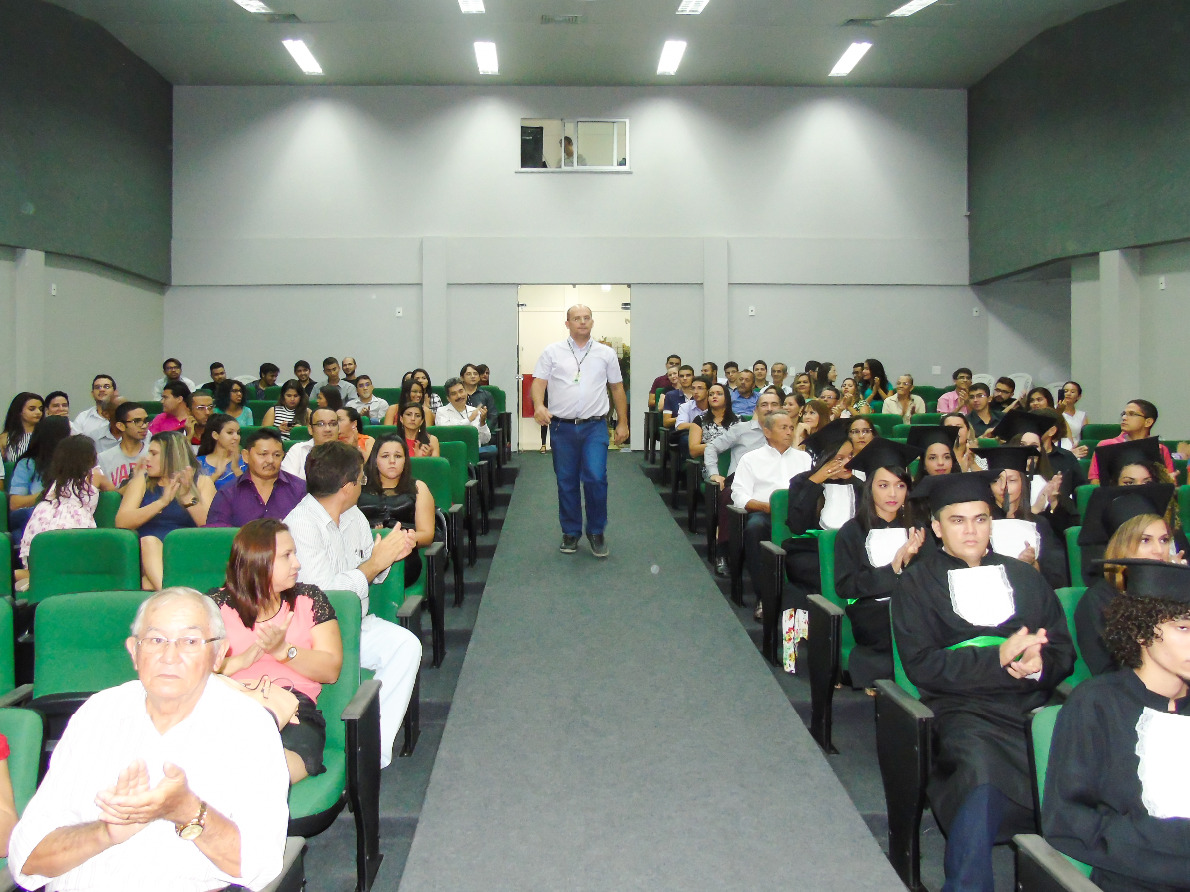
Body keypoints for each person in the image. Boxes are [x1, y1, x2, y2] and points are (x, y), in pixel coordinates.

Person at [7, 588, 289, 891]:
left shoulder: (247, 726)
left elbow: (260, 866)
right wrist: (105, 833)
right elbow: (26, 858)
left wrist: (189, 811)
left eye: (189, 641)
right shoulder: (97, 714)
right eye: (156, 640)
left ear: (219, 654)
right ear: (134, 651)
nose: (169, 657)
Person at [892, 471, 1074, 892]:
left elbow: (1063, 650)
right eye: (957, 521)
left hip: (1031, 702)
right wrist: (998, 657)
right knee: (979, 768)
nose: (971, 531)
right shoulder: (916, 582)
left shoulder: (1025, 576)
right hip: (962, 707)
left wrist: (1038, 665)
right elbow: (922, 666)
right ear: (937, 527)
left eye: (980, 519)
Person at [1043, 559, 1190, 892]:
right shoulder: (1097, 705)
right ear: (1140, 630)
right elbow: (1067, 820)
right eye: (1183, 627)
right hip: (1134, 879)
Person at [284, 441, 423, 768]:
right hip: (314, 632)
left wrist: (389, 557)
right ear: (347, 487)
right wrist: (375, 563)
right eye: (361, 478)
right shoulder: (300, 525)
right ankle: (362, 746)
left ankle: (371, 749)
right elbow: (325, 595)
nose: (364, 484)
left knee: (406, 646)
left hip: (356, 623)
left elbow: (370, 572)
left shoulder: (353, 517)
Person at [210, 519, 343, 785]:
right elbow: (193, 669)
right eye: (287, 556)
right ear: (259, 561)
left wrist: (284, 651)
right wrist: (239, 662)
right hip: (231, 704)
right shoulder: (215, 605)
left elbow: (331, 670)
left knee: (265, 774)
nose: (297, 564)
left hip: (294, 711)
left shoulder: (309, 599)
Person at [531, 304, 629, 557]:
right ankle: (571, 532)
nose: (582, 322)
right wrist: (539, 405)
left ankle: (596, 531)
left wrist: (623, 422)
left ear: (592, 322)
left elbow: (617, 388)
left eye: (586, 318)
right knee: (566, 481)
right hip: (561, 427)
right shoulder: (552, 351)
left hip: (594, 426)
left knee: (596, 477)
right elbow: (539, 383)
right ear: (567, 324)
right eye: (576, 318)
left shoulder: (606, 353)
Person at [834, 438, 925, 691]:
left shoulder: (918, 529)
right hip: (871, 612)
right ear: (870, 488)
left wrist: (913, 563)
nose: (893, 494)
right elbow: (845, 586)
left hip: (913, 607)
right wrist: (893, 568)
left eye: (900, 485)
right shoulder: (852, 532)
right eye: (884, 485)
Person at [1074, 484, 1181, 676]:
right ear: (1120, 547)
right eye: (1145, 540)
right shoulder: (1098, 601)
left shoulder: (1178, 592)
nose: (1159, 550)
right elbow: (1108, 671)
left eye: (1164, 540)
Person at [734, 410, 812, 616]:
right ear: (767, 432)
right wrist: (766, 507)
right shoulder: (751, 459)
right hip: (765, 513)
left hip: (798, 515)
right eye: (783, 428)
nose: (789, 432)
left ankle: (804, 602)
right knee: (754, 528)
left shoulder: (804, 458)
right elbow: (739, 496)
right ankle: (764, 597)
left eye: (791, 428)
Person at [116, 431, 216, 591]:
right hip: (146, 554)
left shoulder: (202, 482)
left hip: (184, 551)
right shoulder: (141, 481)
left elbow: (210, 526)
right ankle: (173, 594)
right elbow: (122, 521)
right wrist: (161, 503)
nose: (147, 458)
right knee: (149, 541)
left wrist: (186, 495)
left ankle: (164, 589)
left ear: (171, 456)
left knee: (147, 583)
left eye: (153, 453)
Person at [16, 435, 104, 588]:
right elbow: (117, 491)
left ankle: (27, 575)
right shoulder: (95, 475)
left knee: (43, 563)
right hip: (73, 522)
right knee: (69, 565)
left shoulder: (56, 479)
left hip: (43, 517)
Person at [977, 444, 1068, 589]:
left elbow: (1057, 576)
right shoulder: (980, 525)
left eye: (1011, 480)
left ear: (1023, 483)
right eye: (996, 480)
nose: (1003, 487)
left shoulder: (1040, 525)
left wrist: (1033, 564)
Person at [358, 435, 435, 587]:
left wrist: (396, 539)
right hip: (364, 551)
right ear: (375, 460)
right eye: (385, 456)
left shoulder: (418, 488)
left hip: (403, 554)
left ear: (405, 460)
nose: (392, 461)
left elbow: (427, 534)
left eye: (398, 456)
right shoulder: (359, 488)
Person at [207, 428, 307, 528]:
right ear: (246, 456)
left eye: (277, 455)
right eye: (263, 454)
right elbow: (217, 533)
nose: (270, 460)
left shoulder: (300, 489)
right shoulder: (228, 492)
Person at [1088, 399, 1175, 483]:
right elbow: (1095, 481)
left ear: (1148, 422)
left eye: (1132, 414)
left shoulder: (1160, 449)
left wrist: (1169, 480)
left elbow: (1169, 481)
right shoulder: (1106, 445)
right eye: (1123, 414)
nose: (1124, 418)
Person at [8, 415, 74, 514]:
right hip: (34, 514)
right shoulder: (27, 464)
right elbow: (15, 503)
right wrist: (48, 493)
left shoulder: (75, 463)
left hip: (68, 514)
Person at [98, 402, 151, 490]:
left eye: (146, 420)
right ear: (121, 426)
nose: (144, 426)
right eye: (137, 421)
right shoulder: (104, 458)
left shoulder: (154, 454)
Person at [280, 407, 342, 481]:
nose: (328, 429)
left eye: (333, 424)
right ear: (310, 429)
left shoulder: (347, 454)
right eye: (320, 424)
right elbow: (288, 483)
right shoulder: (298, 450)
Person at [437, 377, 492, 448]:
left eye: (461, 391)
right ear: (448, 398)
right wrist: (469, 419)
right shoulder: (442, 412)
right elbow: (447, 434)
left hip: (474, 452)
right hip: (453, 451)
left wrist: (482, 422)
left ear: (466, 392)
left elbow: (485, 440)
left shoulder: (474, 411)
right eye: (454, 394)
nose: (459, 396)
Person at [196, 415, 246, 491]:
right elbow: (196, 494)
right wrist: (216, 474)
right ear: (215, 435)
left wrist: (236, 469)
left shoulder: (245, 461)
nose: (236, 437)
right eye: (230, 433)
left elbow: (250, 492)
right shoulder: (199, 463)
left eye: (238, 433)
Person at [73, 374, 119, 442]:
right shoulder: (83, 417)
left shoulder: (124, 416)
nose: (102, 390)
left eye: (106, 387)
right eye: (97, 387)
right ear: (92, 394)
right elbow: (75, 444)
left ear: (115, 392)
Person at [1, 392, 42, 463]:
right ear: (19, 411)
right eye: (32, 409)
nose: (38, 412)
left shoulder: (46, 434)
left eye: (41, 409)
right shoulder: (5, 438)